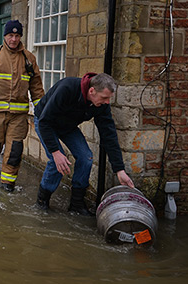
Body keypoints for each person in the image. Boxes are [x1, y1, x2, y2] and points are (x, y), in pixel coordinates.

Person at [34, 72, 135, 215]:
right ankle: (42, 201)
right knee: (57, 162)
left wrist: (119, 170)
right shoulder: (67, 88)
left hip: (68, 127)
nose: (107, 102)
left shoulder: (102, 106)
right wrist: (55, 152)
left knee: (86, 157)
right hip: (45, 122)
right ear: (92, 91)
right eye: (104, 98)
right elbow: (45, 122)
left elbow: (109, 136)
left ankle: (76, 204)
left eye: (109, 99)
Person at [0, 19, 44, 192]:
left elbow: (36, 87)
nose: (14, 39)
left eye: (17, 35)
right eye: (11, 35)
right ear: (5, 36)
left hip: (18, 116)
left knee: (14, 152)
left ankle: (7, 184)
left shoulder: (29, 59)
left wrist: (42, 110)